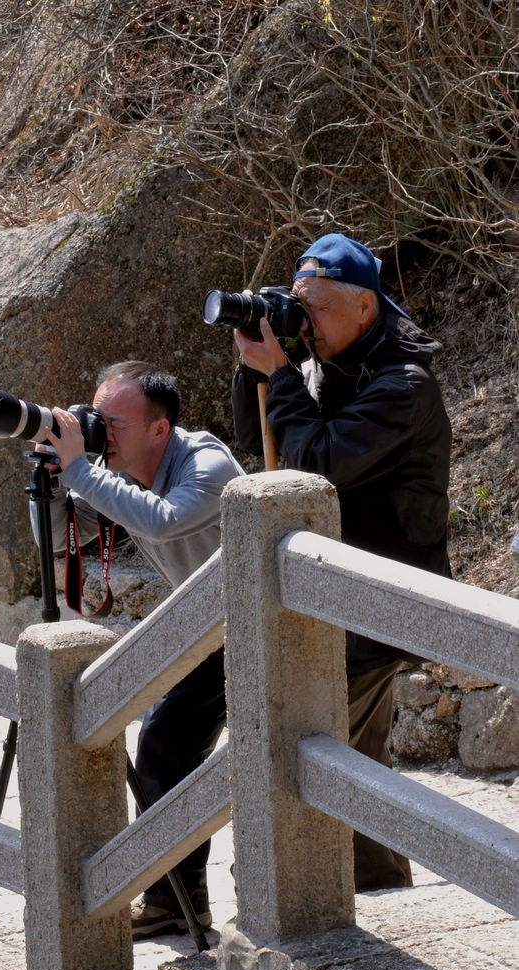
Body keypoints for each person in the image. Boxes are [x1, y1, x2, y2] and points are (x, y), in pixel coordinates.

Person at [231, 232, 451, 892]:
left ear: (364, 307)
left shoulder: (403, 387)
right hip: (342, 593)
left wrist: (280, 376)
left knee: (308, 738)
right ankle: (378, 879)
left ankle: (288, 884)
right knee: (355, 751)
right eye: (300, 307)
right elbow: (257, 440)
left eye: (317, 309)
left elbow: (314, 467)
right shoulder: (331, 368)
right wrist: (256, 368)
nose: (307, 323)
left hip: (383, 598)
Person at [31, 360, 244, 936]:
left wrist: (82, 470)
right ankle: (176, 901)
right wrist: (54, 478)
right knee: (161, 747)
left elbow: (165, 521)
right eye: (96, 420)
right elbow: (55, 539)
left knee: (170, 746)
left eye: (114, 424)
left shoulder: (206, 462)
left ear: (160, 429)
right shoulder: (108, 469)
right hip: (205, 623)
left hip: (254, 623)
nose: (102, 434)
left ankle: (179, 900)